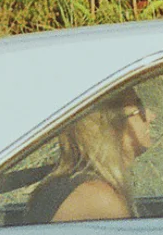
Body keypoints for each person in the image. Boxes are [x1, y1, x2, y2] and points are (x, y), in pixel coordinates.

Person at [25, 87, 154, 223]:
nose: (151, 116)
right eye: (140, 108)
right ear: (110, 127)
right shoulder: (96, 199)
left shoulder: (78, 186)